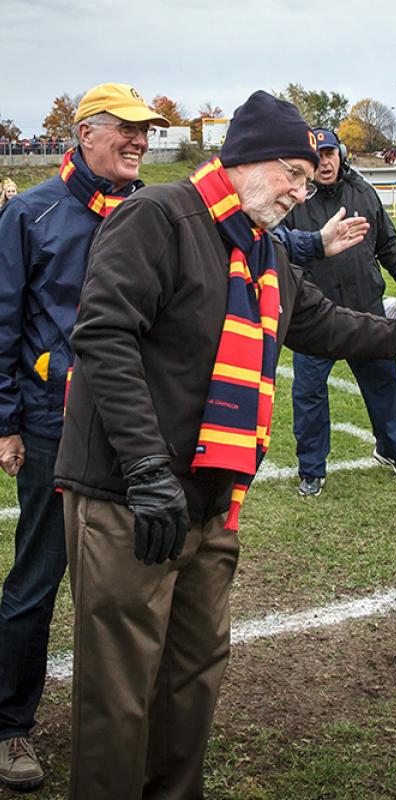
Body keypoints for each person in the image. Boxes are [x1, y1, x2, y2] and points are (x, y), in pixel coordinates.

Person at [52, 91, 396, 798]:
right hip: (128, 498)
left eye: (308, 180)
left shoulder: (260, 245)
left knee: (195, 674)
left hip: (211, 497)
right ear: (245, 160)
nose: (302, 194)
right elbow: (102, 338)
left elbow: (333, 324)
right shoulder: (157, 216)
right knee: (119, 695)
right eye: (294, 176)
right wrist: (147, 467)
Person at [0, 83, 170, 793]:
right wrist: (5, 421)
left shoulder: (147, 212)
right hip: (50, 425)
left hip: (129, 430)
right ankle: (9, 727)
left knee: (127, 585)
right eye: (127, 130)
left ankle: (134, 722)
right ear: (86, 133)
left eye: (146, 132)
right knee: (38, 580)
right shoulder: (31, 212)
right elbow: (4, 319)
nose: (140, 142)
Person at [285, 128, 396, 497]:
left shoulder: (364, 192)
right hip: (314, 315)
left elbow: (388, 245)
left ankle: (394, 451)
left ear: (341, 154)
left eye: (330, 153)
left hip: (366, 309)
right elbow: (279, 253)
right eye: (318, 156)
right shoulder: (295, 200)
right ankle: (311, 468)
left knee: (384, 386)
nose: (325, 162)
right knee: (309, 392)